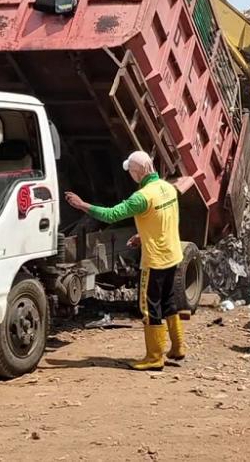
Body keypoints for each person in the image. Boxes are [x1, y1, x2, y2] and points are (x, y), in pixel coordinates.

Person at [65, 151, 184, 371]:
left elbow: (111, 215)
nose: (131, 176)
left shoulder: (142, 197)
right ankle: (177, 347)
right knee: (168, 301)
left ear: (138, 172)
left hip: (155, 261)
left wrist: (82, 205)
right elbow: (165, 219)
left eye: (131, 171)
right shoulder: (168, 188)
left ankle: (154, 357)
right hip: (173, 254)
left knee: (150, 307)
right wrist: (143, 235)